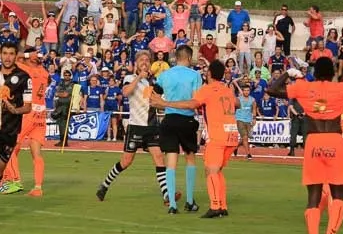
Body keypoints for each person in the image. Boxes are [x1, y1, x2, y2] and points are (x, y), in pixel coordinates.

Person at [267, 47, 343, 234]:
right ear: (333, 73)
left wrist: (288, 73)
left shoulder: (305, 88)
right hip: (335, 142)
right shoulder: (342, 89)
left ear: (315, 72)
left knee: (314, 195)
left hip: (313, 142)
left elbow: (273, 90)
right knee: (338, 195)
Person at [152, 60, 238, 219]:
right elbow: (237, 103)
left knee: (211, 170)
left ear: (209, 73)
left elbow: (191, 104)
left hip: (217, 135)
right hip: (232, 135)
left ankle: (215, 206)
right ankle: (222, 205)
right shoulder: (227, 90)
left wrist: (165, 103)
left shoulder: (207, 90)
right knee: (218, 171)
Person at [95, 50, 176, 205]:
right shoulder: (130, 78)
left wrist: (165, 102)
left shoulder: (152, 82)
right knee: (126, 161)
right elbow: (126, 92)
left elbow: (155, 101)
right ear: (136, 63)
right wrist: (139, 77)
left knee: (159, 157)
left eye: (147, 60)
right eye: (141, 60)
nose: (144, 62)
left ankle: (167, 195)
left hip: (151, 126)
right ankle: (104, 185)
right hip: (136, 126)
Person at [0, 42, 32, 222]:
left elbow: (28, 107)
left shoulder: (24, 77)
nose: (7, 57)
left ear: (16, 56)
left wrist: (15, 110)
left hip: (11, 130)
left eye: (11, 54)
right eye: (5, 53)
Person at [156, 44, 202, 214]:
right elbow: (196, 101)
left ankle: (172, 205)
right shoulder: (195, 75)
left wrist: (161, 103)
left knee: (171, 161)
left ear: (176, 57)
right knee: (190, 158)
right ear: (189, 58)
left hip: (169, 119)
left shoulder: (165, 74)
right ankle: (189, 201)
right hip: (186, 119)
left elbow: (152, 94)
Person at [1, 48, 50, 196]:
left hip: (29, 113)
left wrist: (28, 55)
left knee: (9, 147)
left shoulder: (27, 71)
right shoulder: (44, 72)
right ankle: (38, 187)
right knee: (36, 153)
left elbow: (12, 59)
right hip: (41, 113)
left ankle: (14, 181)